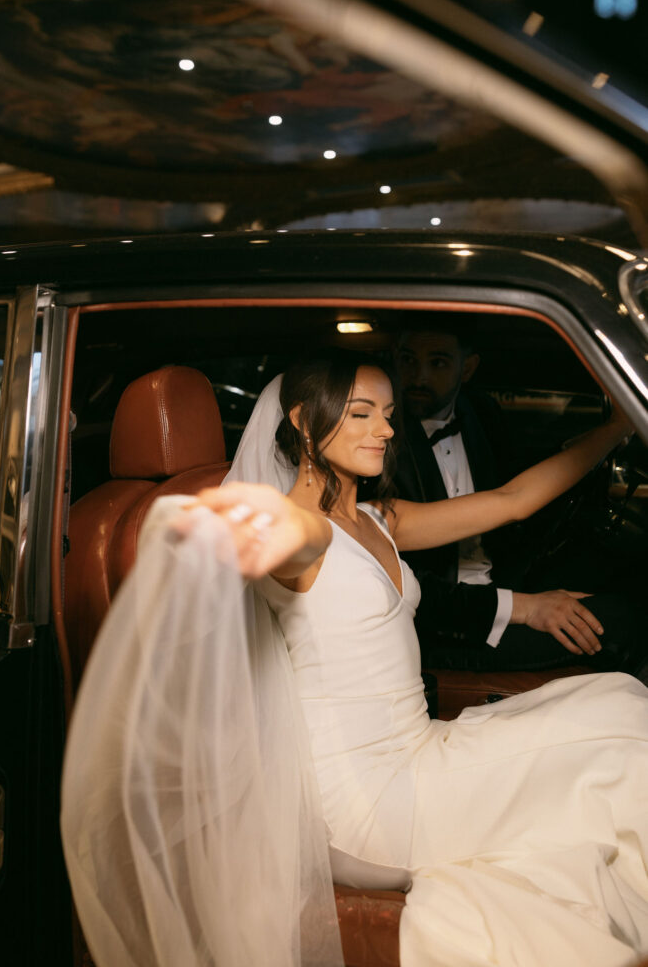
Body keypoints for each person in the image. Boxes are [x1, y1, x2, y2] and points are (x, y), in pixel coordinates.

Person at [61, 354, 648, 967]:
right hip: (368, 805)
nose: (388, 430)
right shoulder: (302, 531)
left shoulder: (378, 518)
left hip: (418, 752)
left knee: (617, 703)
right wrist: (246, 525)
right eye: (362, 413)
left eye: (389, 415)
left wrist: (620, 425)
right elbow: (291, 533)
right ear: (304, 424)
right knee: (625, 744)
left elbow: (513, 500)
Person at [394, 322, 648, 674]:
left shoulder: (479, 413)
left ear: (467, 369)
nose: (417, 377)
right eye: (407, 361)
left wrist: (613, 431)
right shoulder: (384, 451)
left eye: (437, 363)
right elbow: (513, 501)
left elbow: (518, 485)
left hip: (502, 579)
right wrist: (526, 607)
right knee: (623, 624)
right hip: (449, 624)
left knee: (632, 579)